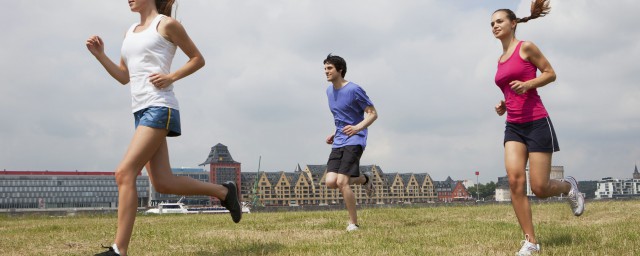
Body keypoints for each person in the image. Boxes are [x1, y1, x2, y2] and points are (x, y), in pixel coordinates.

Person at [86, 1, 241, 255]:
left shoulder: (166, 24)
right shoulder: (130, 31)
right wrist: (101, 56)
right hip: (140, 110)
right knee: (163, 182)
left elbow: (197, 59)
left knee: (124, 173)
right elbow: (125, 77)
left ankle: (119, 250)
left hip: (160, 107)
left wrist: (171, 77)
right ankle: (224, 191)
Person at [490, 1, 585, 255]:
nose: (494, 26)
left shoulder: (526, 47)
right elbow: (511, 91)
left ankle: (569, 186)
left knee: (540, 188)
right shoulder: (499, 60)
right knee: (515, 180)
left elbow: (550, 73)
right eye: (491, 24)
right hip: (514, 126)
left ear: (513, 23)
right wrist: (504, 104)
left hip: (536, 122)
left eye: (499, 21)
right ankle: (530, 241)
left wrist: (529, 84)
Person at [323, 54, 377, 232]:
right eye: (325, 69)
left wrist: (357, 128)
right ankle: (365, 178)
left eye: (329, 68)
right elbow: (341, 118)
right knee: (331, 181)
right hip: (339, 139)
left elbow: (372, 113)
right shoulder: (329, 91)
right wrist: (334, 133)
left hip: (355, 139)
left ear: (340, 70)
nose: (326, 72)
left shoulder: (354, 89)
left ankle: (353, 223)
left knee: (342, 182)